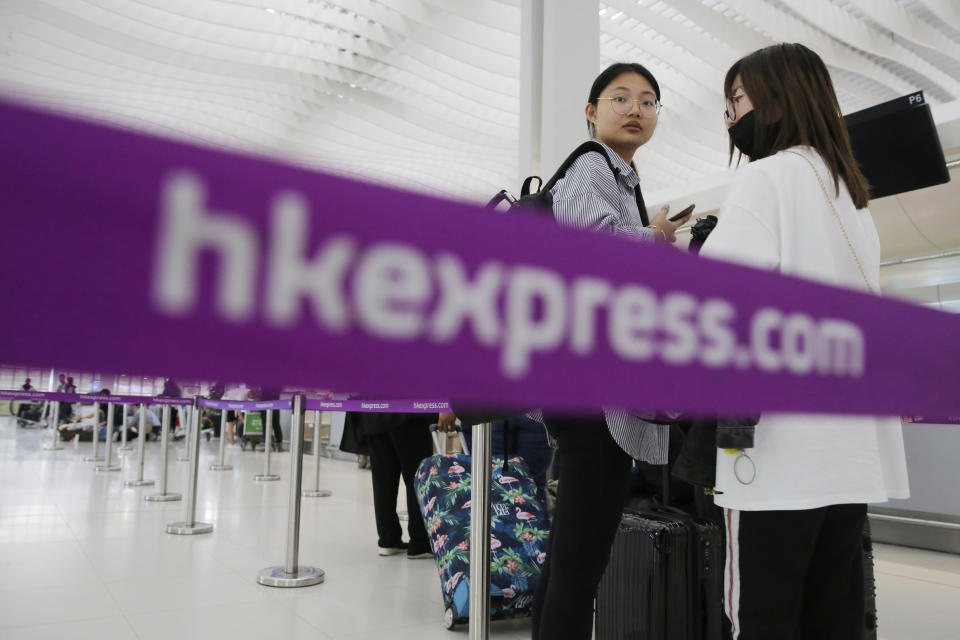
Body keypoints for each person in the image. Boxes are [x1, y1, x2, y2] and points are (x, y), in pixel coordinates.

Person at [699, 43, 909, 640]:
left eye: (736, 100)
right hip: (849, 449)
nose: (732, 118)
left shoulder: (767, 179)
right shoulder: (851, 194)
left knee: (761, 616)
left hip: (775, 452)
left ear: (774, 96)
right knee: (833, 612)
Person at [530, 62, 690, 640]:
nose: (635, 109)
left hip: (585, 390)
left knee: (572, 553)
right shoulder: (593, 165)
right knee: (583, 557)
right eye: (620, 98)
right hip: (593, 396)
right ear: (592, 111)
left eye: (648, 101)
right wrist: (655, 237)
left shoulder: (620, 179)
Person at [347, 411, 434, 558]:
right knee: (416, 478)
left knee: (383, 481)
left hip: (374, 414)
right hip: (409, 414)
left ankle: (388, 539)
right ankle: (420, 543)